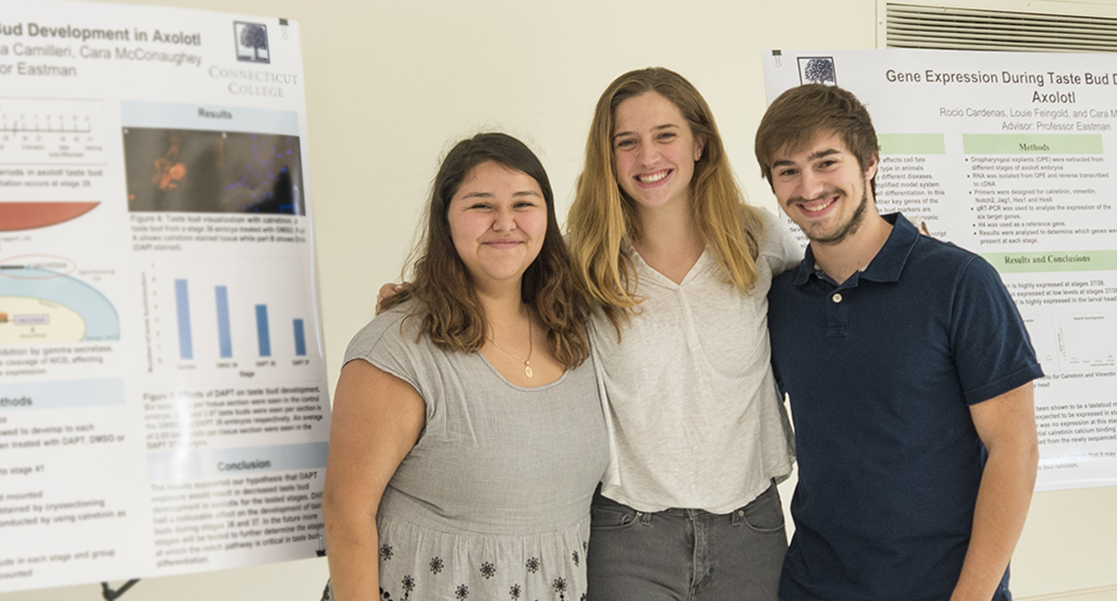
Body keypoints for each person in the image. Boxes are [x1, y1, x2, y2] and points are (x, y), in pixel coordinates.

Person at [755, 83, 1042, 601]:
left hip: (943, 588)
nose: (809, 186)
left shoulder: (959, 281)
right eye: (787, 170)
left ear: (869, 162)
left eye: (826, 162)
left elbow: (1014, 449)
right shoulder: (780, 302)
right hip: (813, 586)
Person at [323, 132, 607, 601]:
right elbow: (345, 509)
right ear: (446, 220)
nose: (505, 223)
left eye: (523, 203)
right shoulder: (399, 348)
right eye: (480, 206)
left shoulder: (576, 331)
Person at [570, 68, 799, 600]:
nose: (647, 157)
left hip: (752, 527)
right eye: (626, 142)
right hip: (628, 533)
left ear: (700, 142)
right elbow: (497, 295)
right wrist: (416, 298)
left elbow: (839, 279)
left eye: (665, 135)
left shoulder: (756, 237)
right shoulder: (583, 258)